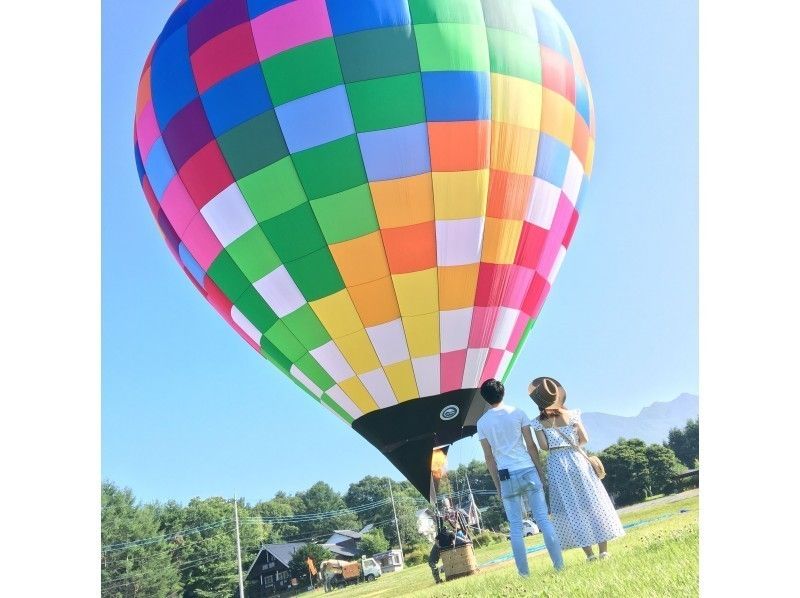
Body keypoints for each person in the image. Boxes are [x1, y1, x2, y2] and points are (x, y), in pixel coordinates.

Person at [528, 377, 625, 561]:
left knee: (571, 508)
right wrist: (573, 445)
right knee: (593, 503)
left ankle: (589, 555)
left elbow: (544, 446)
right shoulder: (572, 414)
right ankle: (603, 551)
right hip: (578, 459)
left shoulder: (538, 423)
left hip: (557, 464)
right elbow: (585, 438)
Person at [477, 378, 564, 576]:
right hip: (527, 469)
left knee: (515, 528)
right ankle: (559, 566)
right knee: (543, 520)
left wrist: (498, 486)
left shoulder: (482, 423)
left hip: (506, 475)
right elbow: (531, 446)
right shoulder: (518, 413)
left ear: (485, 398)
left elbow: (489, 458)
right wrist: (540, 473)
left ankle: (524, 575)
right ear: (503, 392)